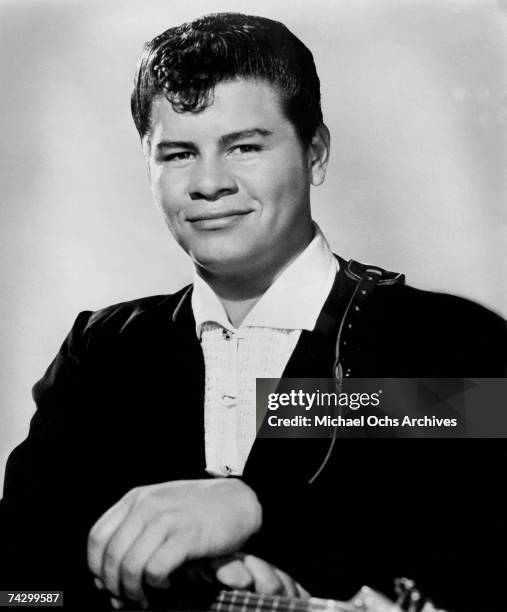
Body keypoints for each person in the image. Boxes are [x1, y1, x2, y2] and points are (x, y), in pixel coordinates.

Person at [0, 12, 506, 612]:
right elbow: (24, 591)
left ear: (315, 153)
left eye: (244, 146)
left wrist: (253, 503)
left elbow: (457, 501)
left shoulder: (445, 337)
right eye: (179, 154)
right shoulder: (102, 352)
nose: (209, 182)